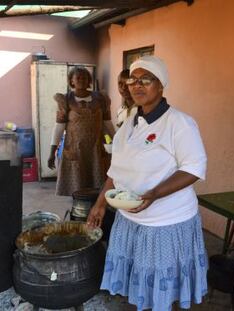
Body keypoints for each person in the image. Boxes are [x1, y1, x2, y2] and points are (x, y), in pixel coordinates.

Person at [87, 55, 208, 311]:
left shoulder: (179, 123)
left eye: (146, 80)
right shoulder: (131, 121)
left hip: (166, 223)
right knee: (140, 285)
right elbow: (116, 169)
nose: (137, 85)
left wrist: (154, 193)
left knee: (164, 288)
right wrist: (99, 203)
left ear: (161, 85)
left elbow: (194, 169)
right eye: (132, 79)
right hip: (130, 219)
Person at [47, 66, 115, 196]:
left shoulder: (101, 99)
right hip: (74, 150)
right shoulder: (65, 100)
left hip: (96, 149)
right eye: (78, 77)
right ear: (71, 81)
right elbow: (59, 127)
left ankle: (94, 210)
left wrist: (117, 142)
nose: (82, 80)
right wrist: (52, 151)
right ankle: (79, 211)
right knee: (77, 189)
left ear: (89, 80)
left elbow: (107, 124)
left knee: (96, 188)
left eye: (85, 77)